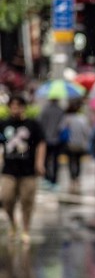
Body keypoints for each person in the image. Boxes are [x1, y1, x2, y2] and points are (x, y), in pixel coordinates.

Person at [0, 95, 46, 243]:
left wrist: (39, 163)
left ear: (23, 107)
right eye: (12, 106)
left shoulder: (32, 124)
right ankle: (13, 223)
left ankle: (25, 230)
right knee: (6, 199)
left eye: (18, 105)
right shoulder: (3, 124)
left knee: (27, 201)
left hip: (28, 171)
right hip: (9, 170)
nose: (15, 108)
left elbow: (41, 143)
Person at [62, 99, 91, 193]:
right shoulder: (82, 118)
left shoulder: (67, 118)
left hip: (70, 144)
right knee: (78, 161)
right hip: (80, 144)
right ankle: (77, 178)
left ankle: (72, 178)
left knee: (71, 161)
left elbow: (61, 129)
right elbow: (87, 132)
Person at [38, 97, 65, 187]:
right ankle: (54, 180)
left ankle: (46, 177)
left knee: (46, 159)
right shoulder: (61, 111)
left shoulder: (45, 110)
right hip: (57, 139)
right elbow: (63, 125)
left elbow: (39, 123)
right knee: (55, 160)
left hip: (46, 139)